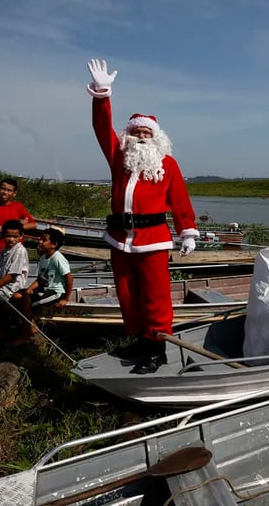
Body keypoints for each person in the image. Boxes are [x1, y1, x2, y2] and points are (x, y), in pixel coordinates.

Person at [87, 57, 199, 374]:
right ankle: (139, 339)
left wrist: (187, 231)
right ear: (127, 135)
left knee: (156, 296)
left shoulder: (168, 165)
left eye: (145, 132)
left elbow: (179, 200)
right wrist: (102, 93)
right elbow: (100, 127)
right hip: (120, 239)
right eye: (134, 131)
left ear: (156, 136)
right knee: (127, 293)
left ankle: (157, 347)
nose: (139, 136)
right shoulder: (119, 158)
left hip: (153, 240)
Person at [8, 227, 73, 346]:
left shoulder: (57, 258)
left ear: (54, 245)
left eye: (44, 240)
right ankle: (32, 324)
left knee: (26, 301)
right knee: (16, 296)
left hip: (55, 292)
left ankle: (25, 334)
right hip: (43, 289)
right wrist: (30, 288)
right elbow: (41, 278)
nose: (40, 241)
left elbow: (69, 278)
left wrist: (65, 299)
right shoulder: (43, 257)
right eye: (40, 239)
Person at [0, 178, 36, 272]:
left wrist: (6, 228)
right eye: (3, 189)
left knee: (15, 281)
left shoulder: (18, 206)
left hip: (17, 252)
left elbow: (33, 225)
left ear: (14, 193)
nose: (5, 192)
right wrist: (17, 225)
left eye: (9, 190)